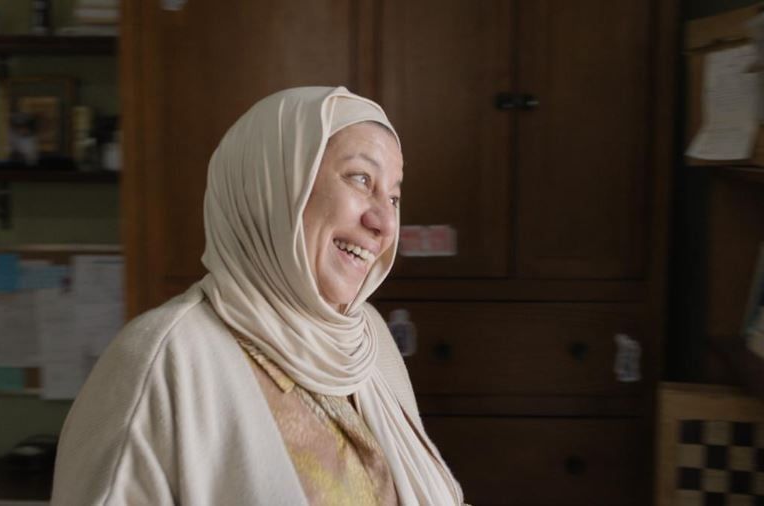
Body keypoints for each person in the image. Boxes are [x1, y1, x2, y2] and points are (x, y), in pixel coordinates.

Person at [51, 87, 465, 505]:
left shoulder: (367, 343)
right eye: (360, 179)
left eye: (393, 196)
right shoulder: (162, 359)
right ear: (274, 185)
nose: (385, 223)